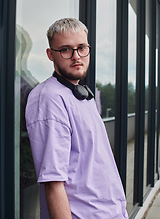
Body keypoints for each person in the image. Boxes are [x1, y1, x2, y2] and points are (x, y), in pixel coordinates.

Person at [25, 18, 128, 219]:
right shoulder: (49, 99)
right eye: (65, 49)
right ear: (50, 55)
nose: (76, 56)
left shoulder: (81, 94)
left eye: (81, 48)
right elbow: (53, 183)